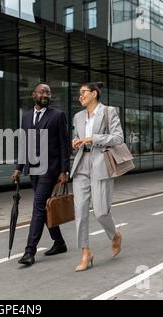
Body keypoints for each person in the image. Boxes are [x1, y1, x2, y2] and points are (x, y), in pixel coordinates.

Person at [11, 83, 70, 266]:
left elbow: (63, 145)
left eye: (48, 92)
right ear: (33, 95)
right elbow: (24, 144)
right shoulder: (27, 117)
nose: (46, 94)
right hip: (33, 169)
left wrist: (64, 171)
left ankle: (30, 252)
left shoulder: (58, 115)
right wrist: (18, 167)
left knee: (37, 207)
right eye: (42, 92)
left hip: (50, 169)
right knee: (44, 208)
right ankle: (59, 242)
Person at [69, 82, 123, 272]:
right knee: (81, 212)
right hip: (81, 164)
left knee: (101, 212)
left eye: (83, 93)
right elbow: (76, 136)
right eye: (79, 94)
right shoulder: (78, 116)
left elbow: (118, 138)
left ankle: (115, 235)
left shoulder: (109, 111)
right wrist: (76, 142)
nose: (80, 96)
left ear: (94, 93)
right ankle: (85, 253)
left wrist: (95, 138)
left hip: (101, 164)